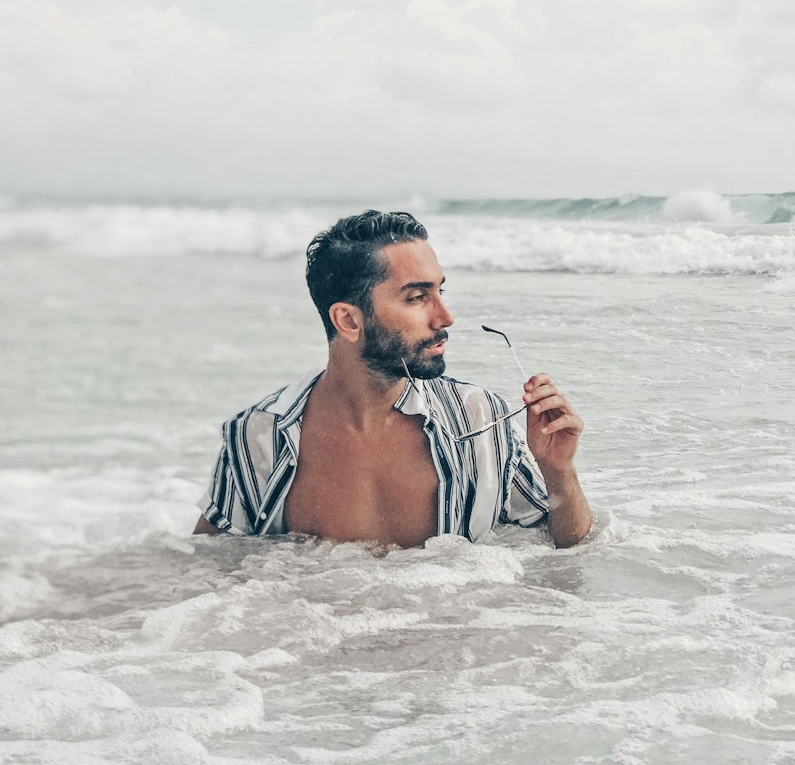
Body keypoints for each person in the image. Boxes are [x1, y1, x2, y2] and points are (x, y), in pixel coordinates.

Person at [193, 210, 592, 548]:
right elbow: (209, 573)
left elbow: (564, 550)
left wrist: (558, 469)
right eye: (417, 297)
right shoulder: (259, 436)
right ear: (348, 320)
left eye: (440, 291)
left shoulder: (477, 417)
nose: (445, 317)